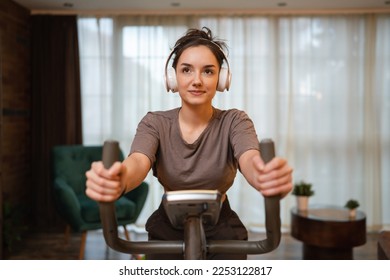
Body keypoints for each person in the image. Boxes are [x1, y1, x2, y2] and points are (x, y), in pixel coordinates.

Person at [85, 27, 293, 260]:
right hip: (167, 229)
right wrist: (117, 179)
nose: (196, 81)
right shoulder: (155, 122)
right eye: (186, 70)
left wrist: (266, 176)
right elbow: (137, 162)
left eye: (208, 71)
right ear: (172, 78)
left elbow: (250, 159)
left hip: (222, 228)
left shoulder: (235, 121)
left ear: (221, 79)